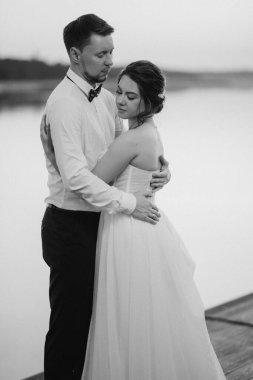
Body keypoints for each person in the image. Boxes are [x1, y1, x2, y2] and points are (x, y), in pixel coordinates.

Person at [42, 61, 226, 379]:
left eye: (131, 96)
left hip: (126, 230)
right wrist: (163, 172)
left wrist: (53, 152)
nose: (121, 100)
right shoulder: (147, 133)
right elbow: (146, 170)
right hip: (141, 225)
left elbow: (90, 184)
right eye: (120, 92)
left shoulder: (131, 140)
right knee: (141, 317)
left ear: (149, 101)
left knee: (123, 316)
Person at [41, 14, 169, 380]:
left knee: (101, 325)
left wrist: (160, 170)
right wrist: (131, 203)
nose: (110, 61)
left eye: (112, 52)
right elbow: (78, 179)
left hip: (102, 223)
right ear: (76, 54)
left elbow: (124, 153)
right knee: (70, 329)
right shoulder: (64, 104)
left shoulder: (108, 99)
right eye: (101, 55)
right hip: (69, 227)